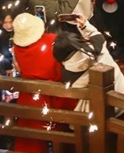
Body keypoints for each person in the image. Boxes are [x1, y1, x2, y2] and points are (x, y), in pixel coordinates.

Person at [11, 12, 77, 153]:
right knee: (66, 136)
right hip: (57, 98)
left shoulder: (16, 49)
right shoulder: (53, 41)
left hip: (31, 100)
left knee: (30, 142)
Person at [52, 14, 124, 113]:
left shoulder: (69, 76)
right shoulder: (99, 50)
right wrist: (84, 26)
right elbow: (95, 35)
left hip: (97, 113)